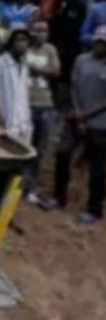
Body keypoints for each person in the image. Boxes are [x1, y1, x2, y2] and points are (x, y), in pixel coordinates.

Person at [55, 29, 106, 225]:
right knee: (62, 153)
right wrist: (78, 112)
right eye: (98, 41)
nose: (100, 45)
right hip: (75, 118)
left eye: (103, 43)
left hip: (100, 125)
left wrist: (86, 116)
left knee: (98, 169)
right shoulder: (81, 60)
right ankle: (59, 197)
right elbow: (74, 87)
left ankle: (94, 210)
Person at [0, 30, 37, 195]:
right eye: (18, 40)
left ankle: (12, 202)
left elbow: (23, 95)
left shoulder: (24, 65)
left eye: (25, 40)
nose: (22, 44)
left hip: (23, 124)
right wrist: (1, 125)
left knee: (18, 168)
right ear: (10, 42)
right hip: (5, 125)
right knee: (1, 167)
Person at [25, 20, 62, 209]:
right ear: (31, 31)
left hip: (45, 104)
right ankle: (20, 186)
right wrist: (43, 71)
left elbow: (56, 71)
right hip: (24, 104)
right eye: (37, 30)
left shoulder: (50, 50)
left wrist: (36, 70)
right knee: (23, 146)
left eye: (44, 31)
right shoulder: (23, 48)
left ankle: (31, 188)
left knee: (40, 149)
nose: (41, 34)